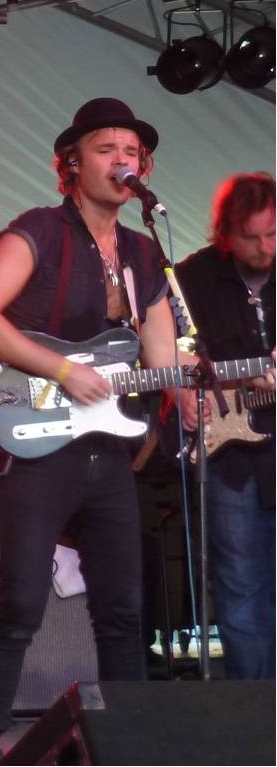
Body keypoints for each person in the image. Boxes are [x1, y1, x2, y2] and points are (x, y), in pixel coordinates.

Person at [0, 98, 178, 764]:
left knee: (123, 609)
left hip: (106, 450)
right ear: (71, 166)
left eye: (130, 151)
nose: (121, 161)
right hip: (37, 437)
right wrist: (61, 369)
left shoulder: (142, 250)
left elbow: (164, 362)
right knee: (21, 602)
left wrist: (240, 373)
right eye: (105, 149)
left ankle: (129, 744)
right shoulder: (37, 232)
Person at [171, 172, 274, 680]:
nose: (264, 247)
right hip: (229, 455)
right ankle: (256, 722)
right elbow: (150, 346)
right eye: (251, 237)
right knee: (239, 590)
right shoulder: (193, 276)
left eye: (273, 234)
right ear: (225, 235)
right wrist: (181, 393)